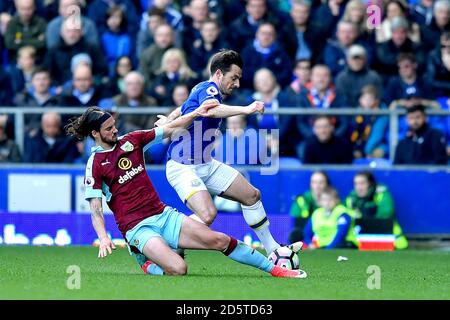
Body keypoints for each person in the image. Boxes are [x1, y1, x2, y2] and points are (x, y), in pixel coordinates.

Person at [65, 106, 306, 278]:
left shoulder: (133, 140)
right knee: (179, 269)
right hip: (137, 227)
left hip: (163, 215)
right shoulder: (95, 164)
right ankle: (145, 261)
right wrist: (104, 237)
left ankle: (276, 269)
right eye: (108, 129)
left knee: (219, 239)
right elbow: (96, 209)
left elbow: (171, 128)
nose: (115, 130)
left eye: (114, 125)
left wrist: (195, 112)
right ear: (95, 134)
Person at [159, 49, 290, 256]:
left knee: (252, 195)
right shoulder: (209, 90)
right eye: (234, 78)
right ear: (219, 74)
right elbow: (211, 110)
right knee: (208, 215)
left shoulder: (201, 89)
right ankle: (168, 238)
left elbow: (182, 107)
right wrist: (247, 109)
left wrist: (168, 120)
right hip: (182, 167)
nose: (237, 84)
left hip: (206, 164)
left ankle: (273, 249)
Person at [345, 171, 408, 249]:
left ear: (370, 184)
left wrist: (367, 211)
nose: (359, 187)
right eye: (356, 184)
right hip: (360, 235)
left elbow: (385, 213)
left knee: (400, 245)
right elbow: (347, 216)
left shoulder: (381, 194)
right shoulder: (351, 198)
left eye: (362, 183)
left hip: (385, 233)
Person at [288, 171, 330, 243]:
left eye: (321, 182)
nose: (317, 186)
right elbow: (295, 226)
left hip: (326, 239)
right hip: (303, 241)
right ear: (310, 184)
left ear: (326, 184)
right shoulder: (301, 200)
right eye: (314, 182)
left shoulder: (331, 201)